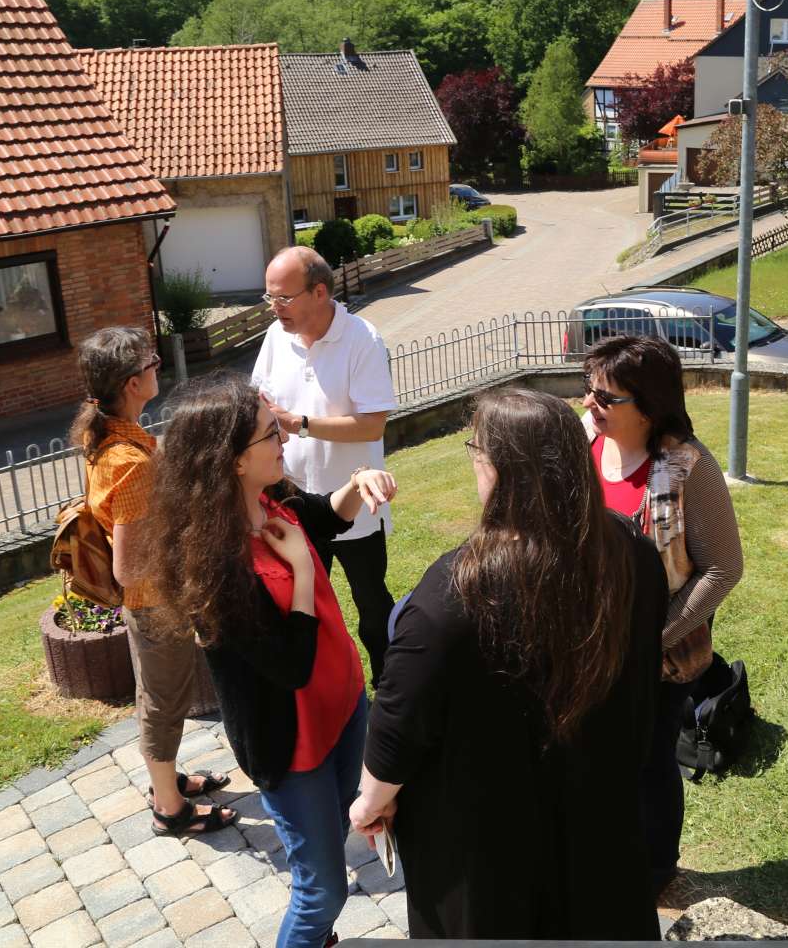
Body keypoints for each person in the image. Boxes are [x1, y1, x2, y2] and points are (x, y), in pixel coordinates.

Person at [349, 389, 665, 939]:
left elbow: (396, 731)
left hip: (489, 867)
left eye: (476, 450)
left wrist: (367, 807)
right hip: (600, 830)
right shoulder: (630, 551)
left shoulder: (450, 598)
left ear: (498, 469)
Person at [138, 372, 397, 948]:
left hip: (344, 706)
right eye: (268, 432)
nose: (283, 436)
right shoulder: (214, 568)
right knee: (322, 891)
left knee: (333, 827)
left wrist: (360, 482)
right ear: (230, 460)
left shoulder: (273, 496)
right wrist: (303, 572)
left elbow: (326, 515)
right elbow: (290, 667)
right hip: (291, 742)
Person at [578, 336, 743, 896]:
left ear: (647, 406)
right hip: (587, 645)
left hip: (658, 658)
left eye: (606, 396)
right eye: (589, 389)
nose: (589, 403)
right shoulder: (587, 445)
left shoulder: (688, 467)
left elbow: (723, 568)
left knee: (649, 762)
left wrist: (650, 641)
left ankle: (654, 871)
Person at [70, 327, 238, 838]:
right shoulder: (130, 463)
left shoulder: (117, 437)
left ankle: (167, 780)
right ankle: (170, 808)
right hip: (154, 604)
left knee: (159, 696)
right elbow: (128, 567)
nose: (156, 366)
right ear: (130, 383)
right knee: (164, 702)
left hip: (150, 604)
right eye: (149, 361)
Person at [252, 246, 398, 685]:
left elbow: (373, 425)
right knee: (304, 607)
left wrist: (300, 424)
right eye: (269, 298)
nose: (274, 309)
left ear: (319, 292)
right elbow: (258, 400)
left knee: (372, 609)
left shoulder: (362, 339)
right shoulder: (277, 336)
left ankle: (391, 692)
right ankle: (323, 692)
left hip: (351, 508)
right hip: (294, 505)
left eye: (283, 298)